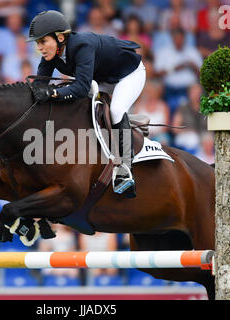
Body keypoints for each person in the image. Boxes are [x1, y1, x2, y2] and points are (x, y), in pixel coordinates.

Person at [26, 10, 146, 198]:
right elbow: (38, 86)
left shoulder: (82, 45)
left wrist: (54, 92)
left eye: (43, 41)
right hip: (102, 78)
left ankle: (125, 170)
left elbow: (80, 88)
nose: (39, 47)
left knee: (115, 110)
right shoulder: (51, 54)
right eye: (37, 43)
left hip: (129, 74)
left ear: (59, 38)